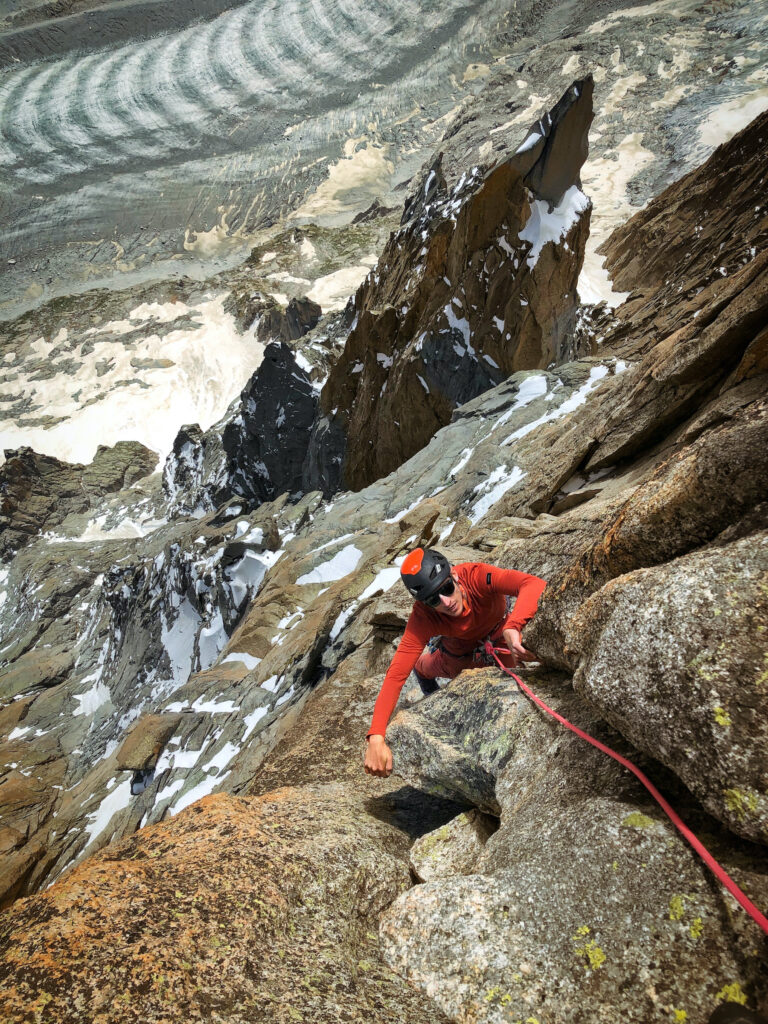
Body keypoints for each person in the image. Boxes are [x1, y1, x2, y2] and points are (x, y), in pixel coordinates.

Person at [364, 547, 547, 777]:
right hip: (459, 653)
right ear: (424, 603)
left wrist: (513, 626)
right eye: (433, 599)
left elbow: (532, 584)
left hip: (500, 635)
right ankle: (423, 668)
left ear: (454, 575)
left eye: (447, 589)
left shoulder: (477, 576)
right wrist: (376, 737)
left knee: (516, 678)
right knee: (438, 667)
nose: (446, 602)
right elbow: (396, 674)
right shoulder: (423, 616)